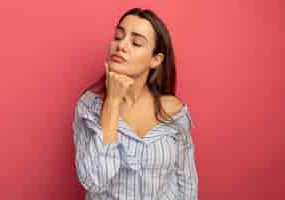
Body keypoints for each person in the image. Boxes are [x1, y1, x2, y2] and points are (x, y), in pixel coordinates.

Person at [72, 7, 198, 200]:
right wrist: (112, 103)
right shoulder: (88, 107)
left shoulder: (175, 112)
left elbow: (186, 183)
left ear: (156, 60)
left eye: (136, 42)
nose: (121, 46)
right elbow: (94, 180)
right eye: (118, 36)